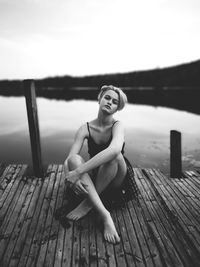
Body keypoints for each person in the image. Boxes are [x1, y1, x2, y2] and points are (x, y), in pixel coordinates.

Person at [63, 85, 128, 244]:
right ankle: (98, 204)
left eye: (114, 101)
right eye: (107, 97)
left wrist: (78, 172)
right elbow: (69, 160)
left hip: (116, 174)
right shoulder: (84, 128)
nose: (109, 102)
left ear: (117, 108)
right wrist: (70, 176)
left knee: (115, 155)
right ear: (99, 99)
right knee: (74, 160)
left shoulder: (117, 125)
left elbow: (114, 150)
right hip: (96, 174)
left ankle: (93, 207)